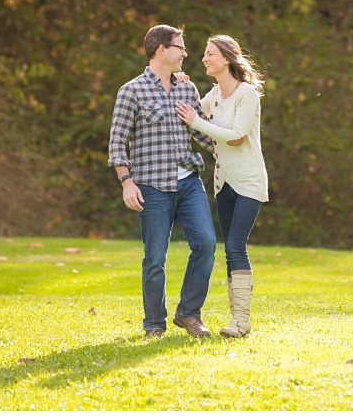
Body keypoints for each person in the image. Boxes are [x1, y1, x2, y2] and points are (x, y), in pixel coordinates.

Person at [108, 24, 219, 338]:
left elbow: (201, 131)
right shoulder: (132, 91)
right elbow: (117, 142)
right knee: (155, 257)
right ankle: (154, 324)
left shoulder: (187, 88)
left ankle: (189, 314)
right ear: (161, 49)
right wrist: (127, 183)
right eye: (180, 47)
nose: (186, 53)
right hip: (152, 186)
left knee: (207, 244)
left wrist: (234, 144)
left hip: (189, 182)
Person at [174, 35, 269, 338]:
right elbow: (192, 111)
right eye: (203, 54)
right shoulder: (213, 95)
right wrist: (181, 84)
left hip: (249, 181)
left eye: (210, 54)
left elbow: (237, 136)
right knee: (230, 250)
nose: (204, 58)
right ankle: (237, 321)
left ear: (227, 59)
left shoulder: (247, 94)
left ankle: (241, 321)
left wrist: (195, 121)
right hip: (223, 182)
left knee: (235, 246)